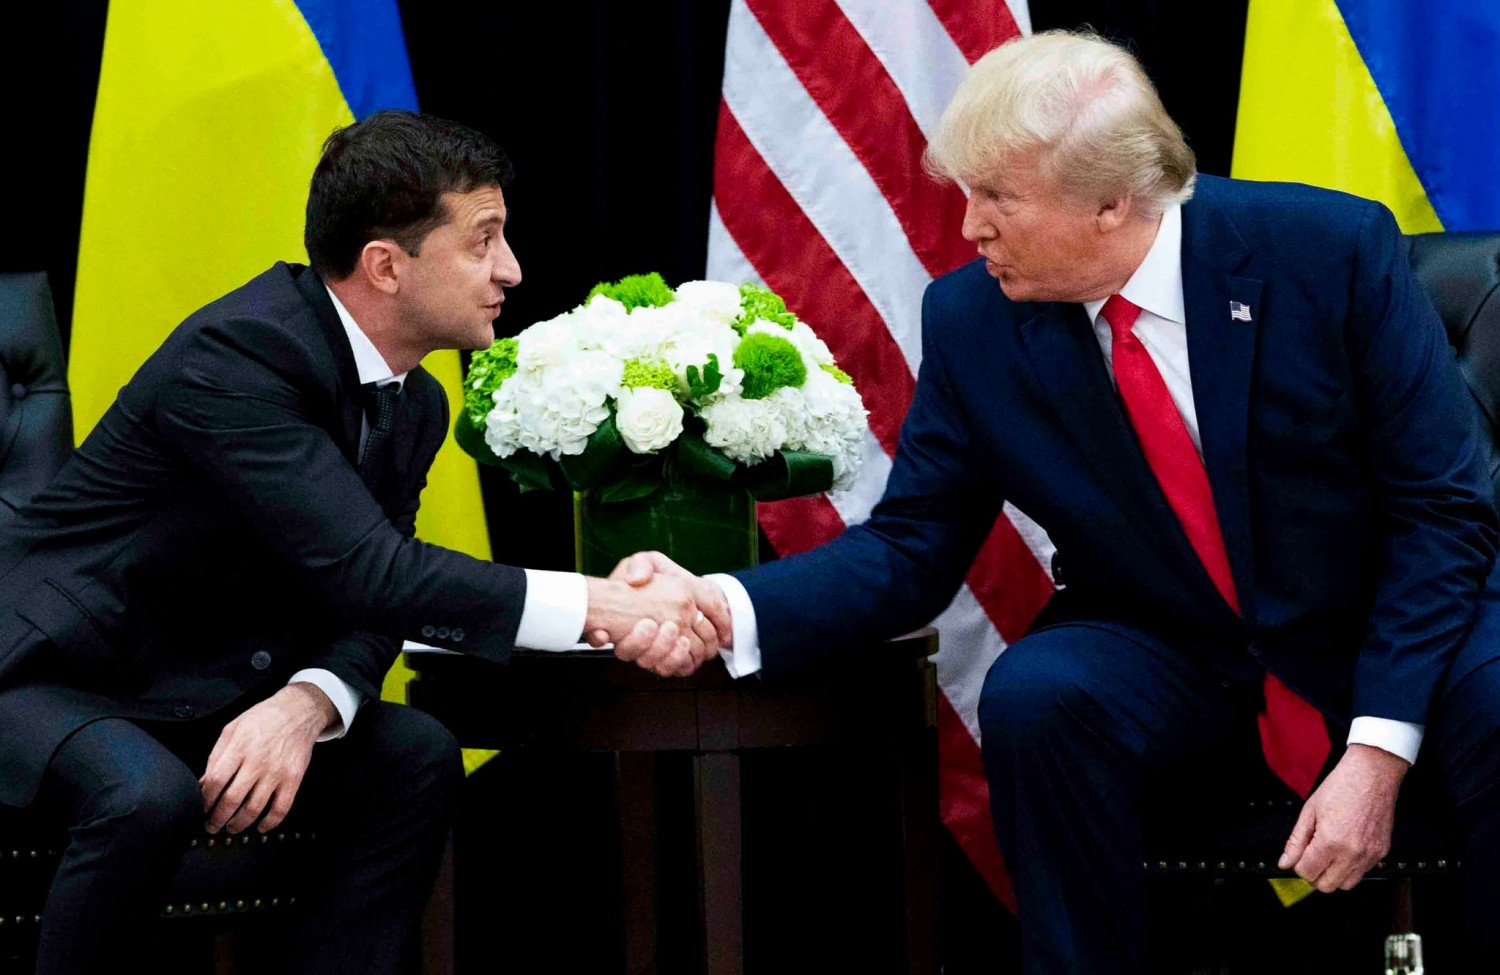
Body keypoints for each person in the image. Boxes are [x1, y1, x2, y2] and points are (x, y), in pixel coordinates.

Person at [611, 30, 1500, 972]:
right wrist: (725, 601)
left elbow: (1443, 513)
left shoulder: (1328, 252)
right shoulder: (973, 319)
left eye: (998, 198)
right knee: (1040, 694)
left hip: (1387, 622)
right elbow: (913, 545)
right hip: (1175, 643)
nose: (969, 229)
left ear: (1115, 201)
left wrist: (1379, 747)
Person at [0, 110, 728, 974]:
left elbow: (374, 599)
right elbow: (372, 568)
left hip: (202, 676)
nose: (512, 270)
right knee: (144, 795)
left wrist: (310, 700)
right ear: (386, 264)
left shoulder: (414, 400)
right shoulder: (241, 355)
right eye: (483, 240)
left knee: (415, 754)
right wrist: (600, 602)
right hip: (55, 670)